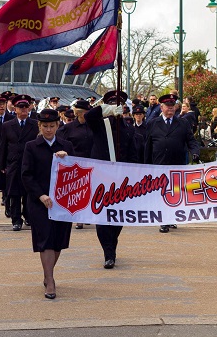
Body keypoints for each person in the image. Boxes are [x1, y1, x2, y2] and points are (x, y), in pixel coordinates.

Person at [21, 108, 73, 299]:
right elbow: (26, 175)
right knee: (45, 240)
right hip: (40, 201)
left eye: (52, 126)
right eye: (45, 126)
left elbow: (76, 172)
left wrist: (67, 158)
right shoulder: (31, 146)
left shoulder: (66, 145)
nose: (48, 130)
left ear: (58, 126)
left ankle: (47, 274)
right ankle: (50, 280)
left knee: (58, 240)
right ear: (39, 126)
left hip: (62, 201)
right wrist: (41, 196)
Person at [85, 90, 142, 268]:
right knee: (102, 216)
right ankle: (108, 252)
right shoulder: (99, 124)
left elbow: (133, 155)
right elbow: (88, 116)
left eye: (118, 104)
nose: (115, 106)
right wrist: (105, 109)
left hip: (121, 180)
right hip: (101, 177)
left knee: (118, 216)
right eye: (112, 103)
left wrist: (132, 176)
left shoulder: (128, 129)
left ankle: (112, 243)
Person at [144, 93, 200, 233]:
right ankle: (164, 220)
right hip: (159, 164)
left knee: (174, 193)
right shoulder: (152, 123)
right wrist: (145, 164)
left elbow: (191, 141)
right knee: (162, 192)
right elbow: (147, 145)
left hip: (176, 164)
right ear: (161, 107)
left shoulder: (182, 123)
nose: (170, 109)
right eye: (167, 107)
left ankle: (172, 217)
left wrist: (195, 152)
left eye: (172, 106)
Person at [0, 94, 39, 231]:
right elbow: (3, 146)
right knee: (14, 193)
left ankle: (28, 216)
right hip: (14, 164)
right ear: (15, 108)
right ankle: (16, 220)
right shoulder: (7, 125)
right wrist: (2, 165)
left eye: (26, 107)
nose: (23, 109)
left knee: (29, 192)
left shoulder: (35, 124)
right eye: (20, 107)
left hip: (30, 163)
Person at [57, 99, 93, 230]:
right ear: (79, 113)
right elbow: (60, 143)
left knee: (90, 191)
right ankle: (79, 218)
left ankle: (88, 215)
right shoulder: (68, 128)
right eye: (85, 112)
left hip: (91, 163)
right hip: (75, 164)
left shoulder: (94, 126)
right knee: (78, 193)